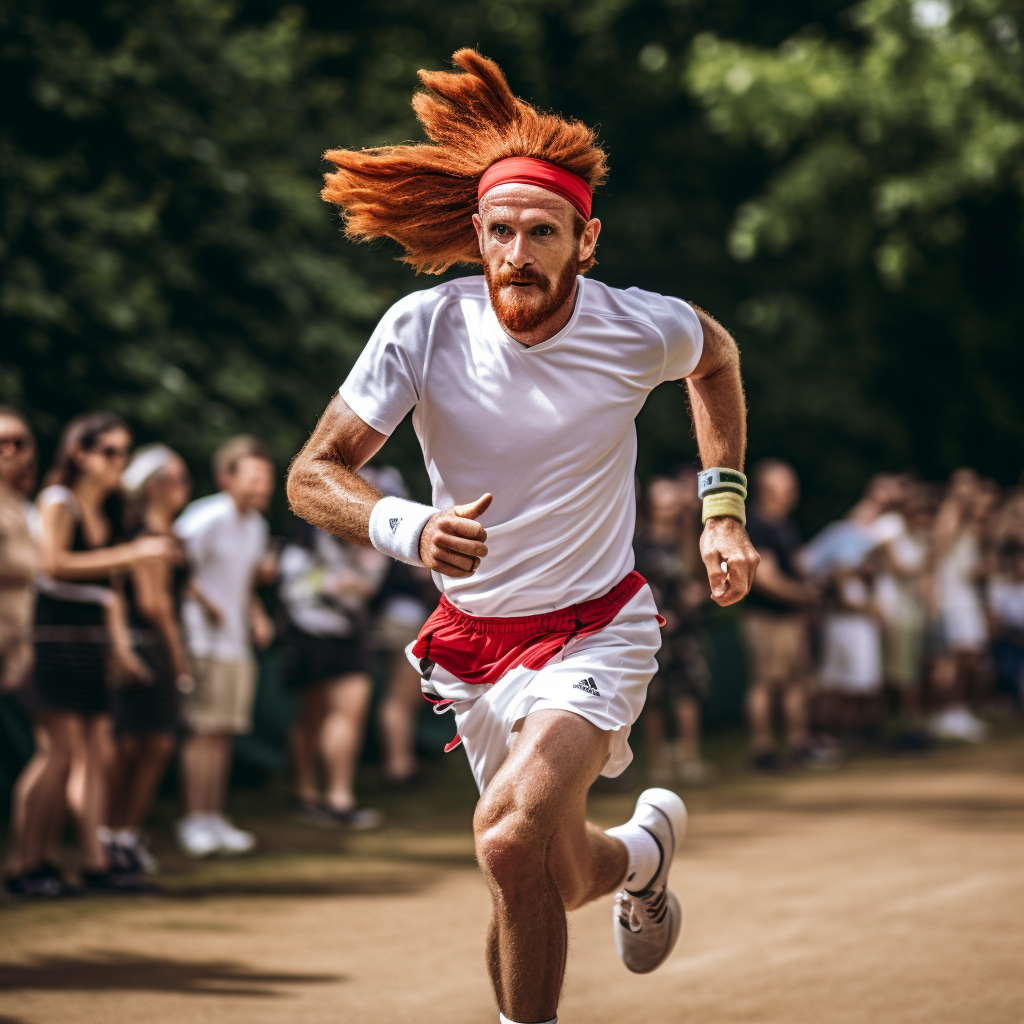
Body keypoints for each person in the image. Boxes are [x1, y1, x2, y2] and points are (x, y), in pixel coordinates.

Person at [287, 51, 758, 1024]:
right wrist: (409, 527)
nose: (516, 255)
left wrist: (722, 509)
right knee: (544, 863)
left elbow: (717, 359)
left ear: (585, 240)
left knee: (505, 839)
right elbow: (310, 474)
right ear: (476, 235)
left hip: (598, 627)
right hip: (477, 643)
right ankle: (641, 852)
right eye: (499, 232)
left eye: (541, 233)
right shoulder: (423, 328)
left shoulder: (637, 328)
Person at [12, 412, 175, 894]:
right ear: (79, 453)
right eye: (109, 452)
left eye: (124, 453)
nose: (118, 463)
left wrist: (120, 646)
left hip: (91, 646)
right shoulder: (58, 500)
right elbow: (53, 565)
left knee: (94, 754)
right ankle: (28, 865)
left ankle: (93, 861)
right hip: (52, 641)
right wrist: (134, 554)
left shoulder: (112, 510)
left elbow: (109, 594)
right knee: (56, 754)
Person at [174, 436, 275, 857]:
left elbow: (244, 583)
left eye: (266, 477)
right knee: (203, 730)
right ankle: (194, 820)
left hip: (235, 643)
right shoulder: (205, 516)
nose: (263, 485)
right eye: (254, 476)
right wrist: (206, 602)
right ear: (226, 477)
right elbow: (175, 568)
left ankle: (214, 818)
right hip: (201, 640)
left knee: (223, 733)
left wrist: (255, 616)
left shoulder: (257, 526)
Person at [105, 444, 193, 874]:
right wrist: (178, 661)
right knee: (137, 745)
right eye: (177, 479)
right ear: (154, 486)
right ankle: (112, 836)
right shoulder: (146, 537)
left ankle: (125, 834)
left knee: (151, 744)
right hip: (146, 646)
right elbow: (154, 604)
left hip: (153, 645)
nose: (185, 488)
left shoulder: (165, 534)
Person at [278, 519, 386, 827]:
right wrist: (340, 583)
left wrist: (341, 583)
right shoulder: (304, 537)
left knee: (339, 713)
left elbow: (367, 583)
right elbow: (295, 587)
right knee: (318, 714)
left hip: (342, 632)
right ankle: (317, 795)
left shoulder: (368, 531)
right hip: (309, 633)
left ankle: (330, 797)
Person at [634, 474, 713, 785]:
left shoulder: (688, 540)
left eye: (672, 498)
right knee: (653, 698)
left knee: (689, 693)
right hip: (652, 632)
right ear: (651, 504)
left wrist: (700, 592)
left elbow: (703, 577)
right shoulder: (639, 543)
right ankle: (659, 762)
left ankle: (690, 759)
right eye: (661, 498)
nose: (668, 503)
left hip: (688, 632)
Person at [742, 459, 820, 769]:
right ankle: (762, 749)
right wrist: (806, 595)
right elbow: (766, 580)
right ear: (766, 488)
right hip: (766, 619)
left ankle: (798, 743)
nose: (792, 491)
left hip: (789, 619)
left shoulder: (784, 523)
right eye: (785, 485)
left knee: (796, 683)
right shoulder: (758, 525)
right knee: (766, 682)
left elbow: (797, 567)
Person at [363, 465, 438, 787]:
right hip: (402, 623)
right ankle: (398, 767)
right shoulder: (395, 539)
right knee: (400, 698)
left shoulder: (383, 534)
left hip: (396, 620)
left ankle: (400, 764)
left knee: (400, 697)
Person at [928, 469, 994, 742]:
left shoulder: (970, 520)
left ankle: (958, 711)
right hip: (951, 596)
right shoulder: (950, 515)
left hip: (965, 597)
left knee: (969, 655)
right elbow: (935, 556)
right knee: (954, 656)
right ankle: (946, 713)